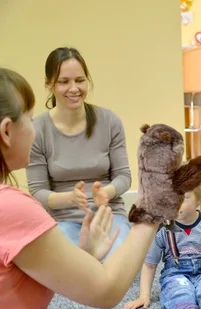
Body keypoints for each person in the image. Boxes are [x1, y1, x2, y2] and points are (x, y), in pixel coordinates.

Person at [0, 68, 201, 309]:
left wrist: (85, 256)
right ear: (7, 131)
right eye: (28, 119)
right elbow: (107, 293)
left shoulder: (106, 121)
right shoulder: (12, 209)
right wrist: (154, 207)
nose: (33, 130)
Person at [26, 47, 131, 256]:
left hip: (107, 215)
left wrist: (105, 193)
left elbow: (124, 176)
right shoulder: (37, 129)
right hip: (63, 219)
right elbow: (38, 191)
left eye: (80, 80)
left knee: (115, 263)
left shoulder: (110, 121)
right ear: (49, 85)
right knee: (72, 268)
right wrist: (70, 199)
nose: (74, 89)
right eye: (64, 82)